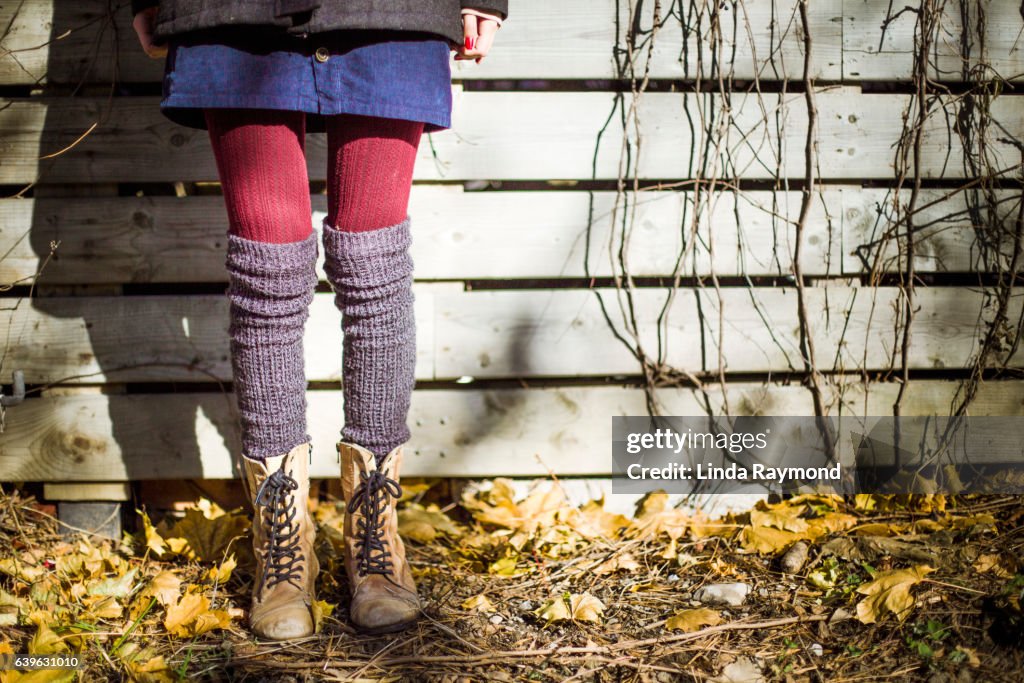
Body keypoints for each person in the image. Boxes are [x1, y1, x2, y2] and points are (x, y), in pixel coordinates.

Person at [131, 0, 507, 641]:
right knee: (267, 272)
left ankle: (374, 531)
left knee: (374, 266)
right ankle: (283, 542)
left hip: (392, 11)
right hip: (234, 12)